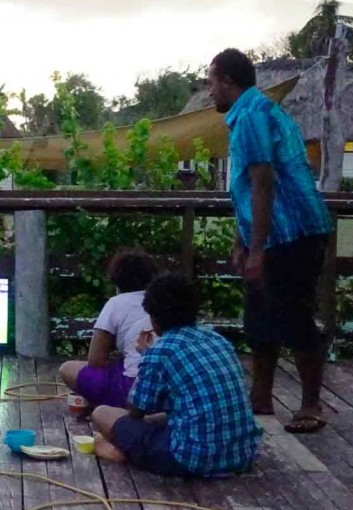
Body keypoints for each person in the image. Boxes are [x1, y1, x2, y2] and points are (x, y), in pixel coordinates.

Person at [207, 48, 334, 433]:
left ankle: (312, 404)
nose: (209, 89)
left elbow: (264, 182)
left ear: (228, 81)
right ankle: (260, 400)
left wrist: (258, 249)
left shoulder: (253, 116)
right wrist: (241, 241)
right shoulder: (249, 113)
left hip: (292, 231)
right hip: (270, 234)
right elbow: (244, 189)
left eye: (211, 81)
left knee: (294, 317)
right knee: (259, 319)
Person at [90, 273, 262, 477]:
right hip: (242, 455)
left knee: (102, 413)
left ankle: (114, 450)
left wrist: (147, 356)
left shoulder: (160, 351)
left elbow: (136, 410)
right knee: (164, 417)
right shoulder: (217, 339)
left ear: (153, 318)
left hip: (190, 459)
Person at [59, 249, 158, 411]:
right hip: (168, 385)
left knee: (67, 369)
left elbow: (96, 360)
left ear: (117, 282)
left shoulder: (117, 303)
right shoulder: (162, 300)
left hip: (134, 387)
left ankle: (109, 405)